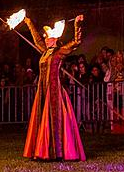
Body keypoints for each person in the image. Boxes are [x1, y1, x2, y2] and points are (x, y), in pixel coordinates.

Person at [18, 14, 85, 161]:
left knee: (55, 120)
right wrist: (29, 22)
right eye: (46, 37)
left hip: (54, 91)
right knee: (42, 120)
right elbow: (37, 39)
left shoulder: (60, 52)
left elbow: (76, 42)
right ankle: (42, 151)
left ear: (55, 40)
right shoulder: (45, 51)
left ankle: (58, 152)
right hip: (42, 90)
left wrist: (77, 24)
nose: (46, 39)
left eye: (49, 37)